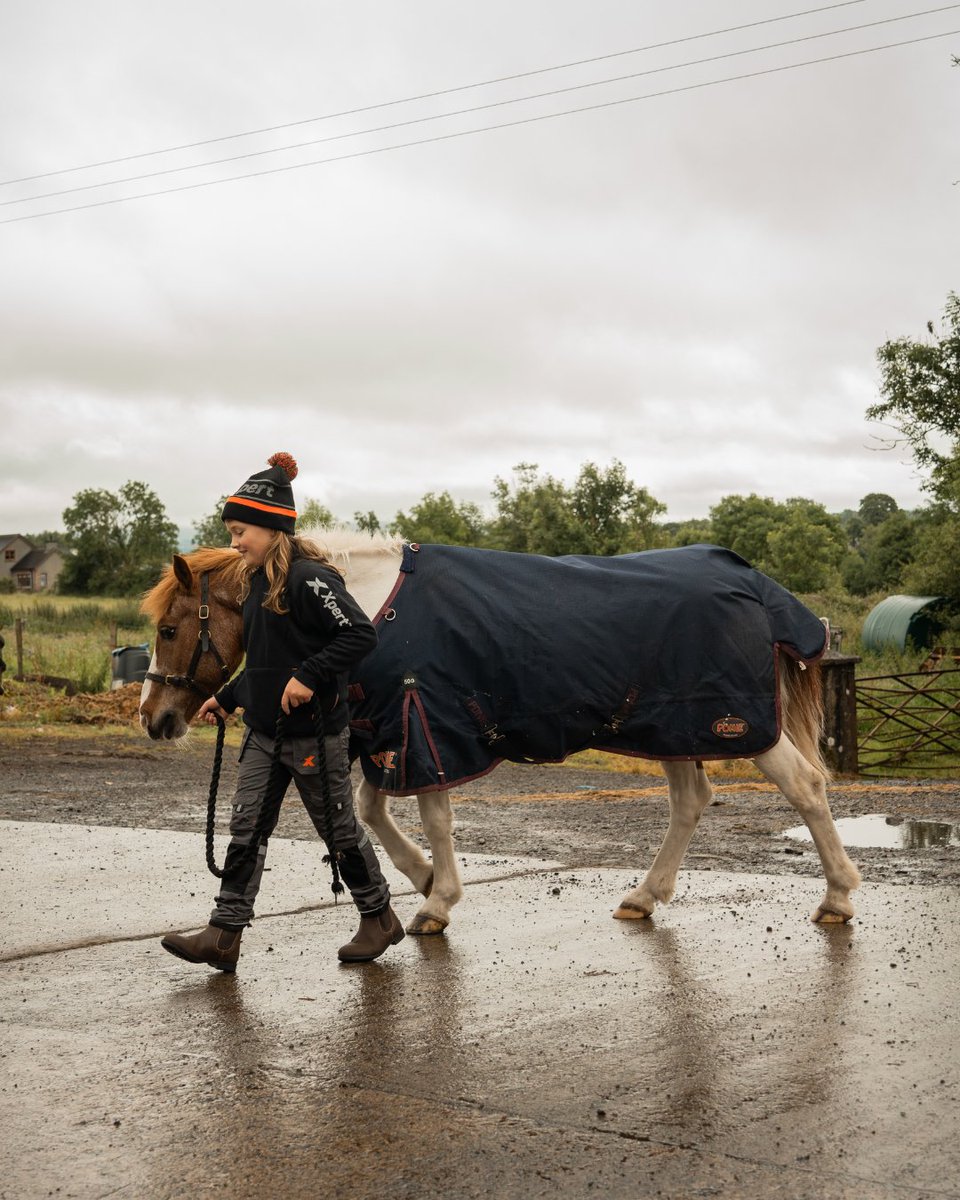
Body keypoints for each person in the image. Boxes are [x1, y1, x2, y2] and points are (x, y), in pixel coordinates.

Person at [161, 451, 403, 972]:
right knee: (246, 827)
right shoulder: (253, 585)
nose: (234, 542)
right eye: (231, 531)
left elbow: (359, 635)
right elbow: (268, 663)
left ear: (272, 528)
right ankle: (223, 936)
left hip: (314, 735)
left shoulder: (310, 579)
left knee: (338, 830)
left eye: (241, 530)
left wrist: (309, 676)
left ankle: (379, 916)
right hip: (263, 733)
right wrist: (227, 697)